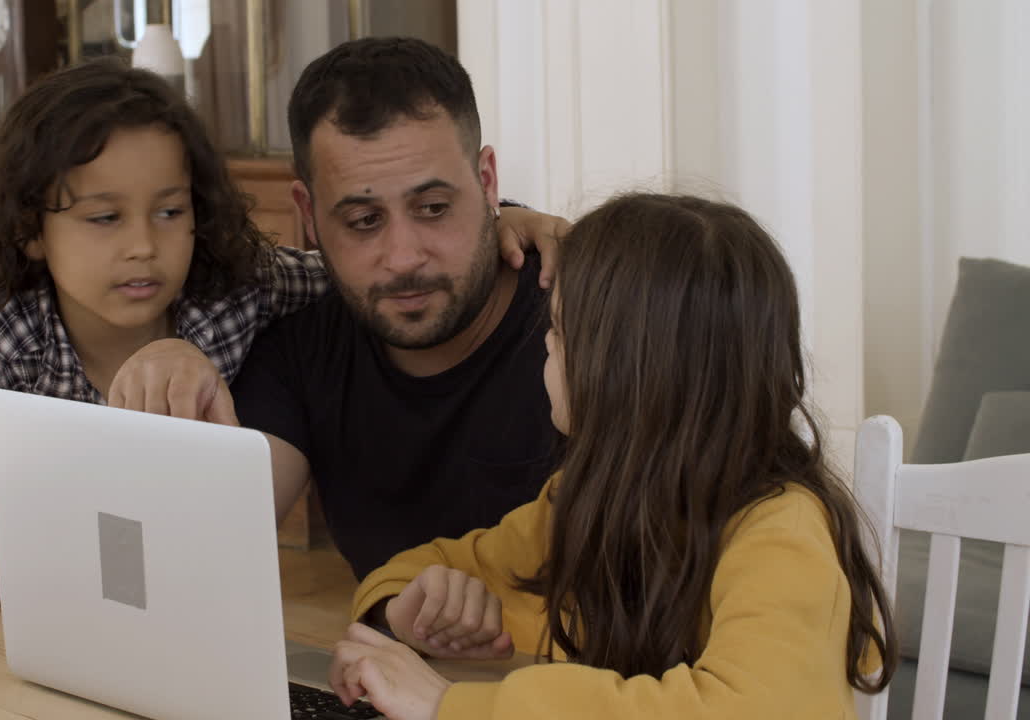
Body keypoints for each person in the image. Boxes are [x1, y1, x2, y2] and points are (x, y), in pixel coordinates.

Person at [0, 58, 563, 605]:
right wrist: (67, 582)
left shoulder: (239, 291)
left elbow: (361, 280)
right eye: (103, 218)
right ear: (29, 228)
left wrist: (506, 217)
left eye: (170, 211)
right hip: (58, 604)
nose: (143, 247)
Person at [328, 193, 899, 720]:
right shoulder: (582, 501)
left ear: (628, 372)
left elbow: (749, 709)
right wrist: (406, 611)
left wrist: (448, 706)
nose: (545, 348)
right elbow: (435, 563)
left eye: (558, 331)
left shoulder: (781, 531)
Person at [228, 37, 569, 581]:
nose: (404, 257)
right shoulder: (296, 351)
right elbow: (213, 538)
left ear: (487, 184)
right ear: (309, 215)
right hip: (392, 663)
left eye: (433, 209)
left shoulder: (581, 327)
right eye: (363, 220)